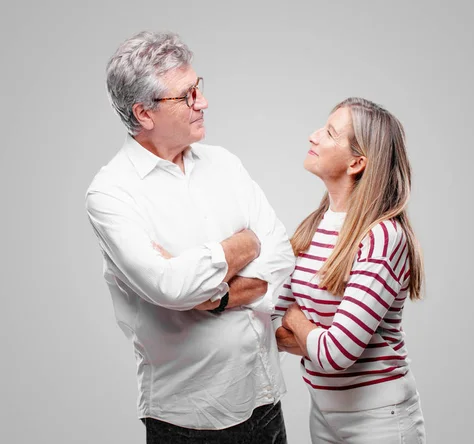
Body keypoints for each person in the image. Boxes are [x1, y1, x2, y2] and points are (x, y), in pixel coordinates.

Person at [85, 31, 294, 443]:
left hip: (264, 401)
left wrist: (215, 296)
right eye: (187, 96)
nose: (203, 102)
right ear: (144, 113)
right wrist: (245, 243)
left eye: (199, 87)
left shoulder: (225, 164)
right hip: (188, 421)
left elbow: (281, 254)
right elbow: (172, 287)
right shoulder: (111, 193)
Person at [274, 97, 427, 443]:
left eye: (329, 132)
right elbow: (271, 318)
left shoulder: (383, 236)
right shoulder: (313, 226)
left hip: (380, 422)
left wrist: (298, 321)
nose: (313, 136)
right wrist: (315, 338)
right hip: (324, 413)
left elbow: (336, 354)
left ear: (357, 162)